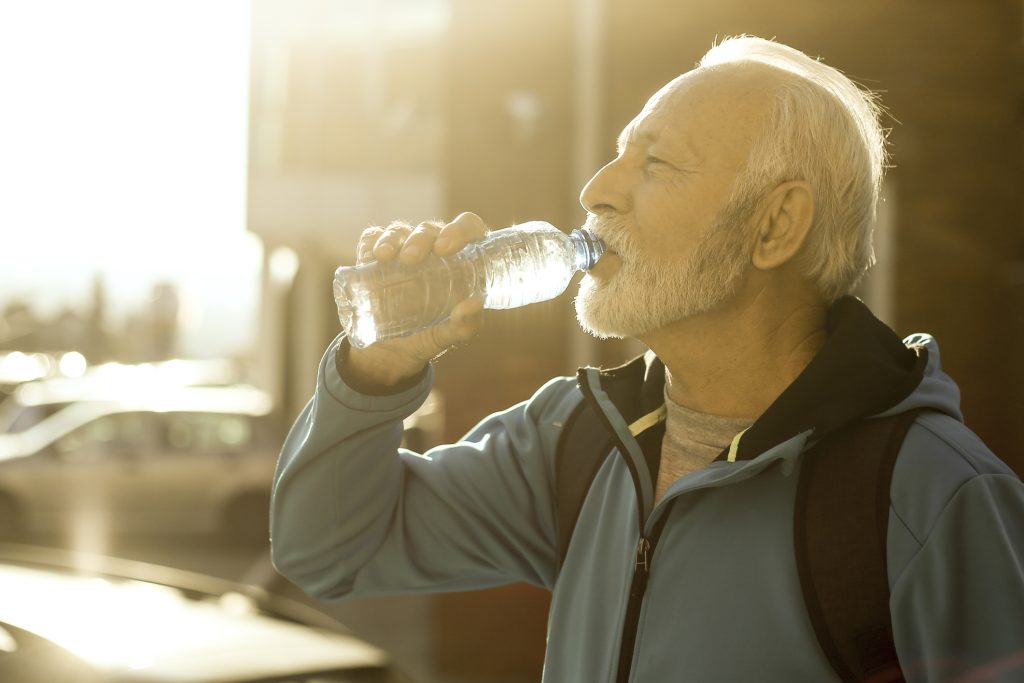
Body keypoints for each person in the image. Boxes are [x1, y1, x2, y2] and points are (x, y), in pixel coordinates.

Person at [270, 36, 1024, 682]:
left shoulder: (934, 496)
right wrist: (379, 372)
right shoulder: (576, 438)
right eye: (615, 156)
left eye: (655, 164)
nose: (596, 190)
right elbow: (329, 546)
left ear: (776, 225)